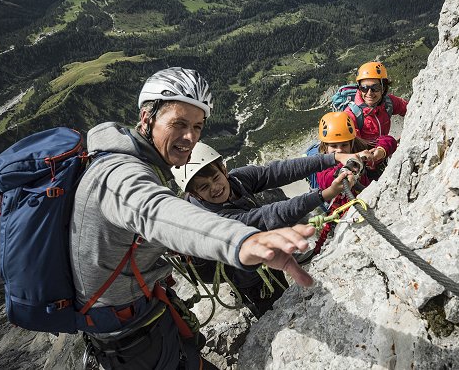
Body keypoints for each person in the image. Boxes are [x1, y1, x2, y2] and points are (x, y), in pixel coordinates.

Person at [69, 67, 316, 370]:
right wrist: (242, 239)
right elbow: (158, 212)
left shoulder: (132, 161)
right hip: (131, 342)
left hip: (143, 321)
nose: (190, 137)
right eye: (179, 123)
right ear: (147, 119)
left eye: (198, 126)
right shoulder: (119, 176)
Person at [170, 142, 358, 316]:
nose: (215, 187)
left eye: (215, 178)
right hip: (248, 277)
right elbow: (269, 215)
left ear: (224, 170)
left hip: (261, 253)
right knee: (272, 306)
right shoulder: (213, 220)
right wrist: (326, 194)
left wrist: (332, 159)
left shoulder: (237, 180)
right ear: (195, 194)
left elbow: (277, 171)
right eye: (204, 187)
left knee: (279, 283)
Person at [316, 111, 397, 212]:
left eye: (344, 145)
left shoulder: (359, 149)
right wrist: (355, 159)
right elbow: (326, 182)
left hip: (366, 201)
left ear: (352, 143)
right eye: (333, 146)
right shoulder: (321, 165)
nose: (339, 150)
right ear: (325, 146)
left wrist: (380, 151)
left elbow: (389, 140)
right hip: (343, 210)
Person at [344, 61, 408, 180]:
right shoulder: (351, 115)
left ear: (383, 88)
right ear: (359, 88)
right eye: (364, 88)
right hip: (364, 168)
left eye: (375, 88)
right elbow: (353, 149)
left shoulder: (388, 103)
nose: (369, 93)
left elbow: (411, 108)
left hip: (382, 155)